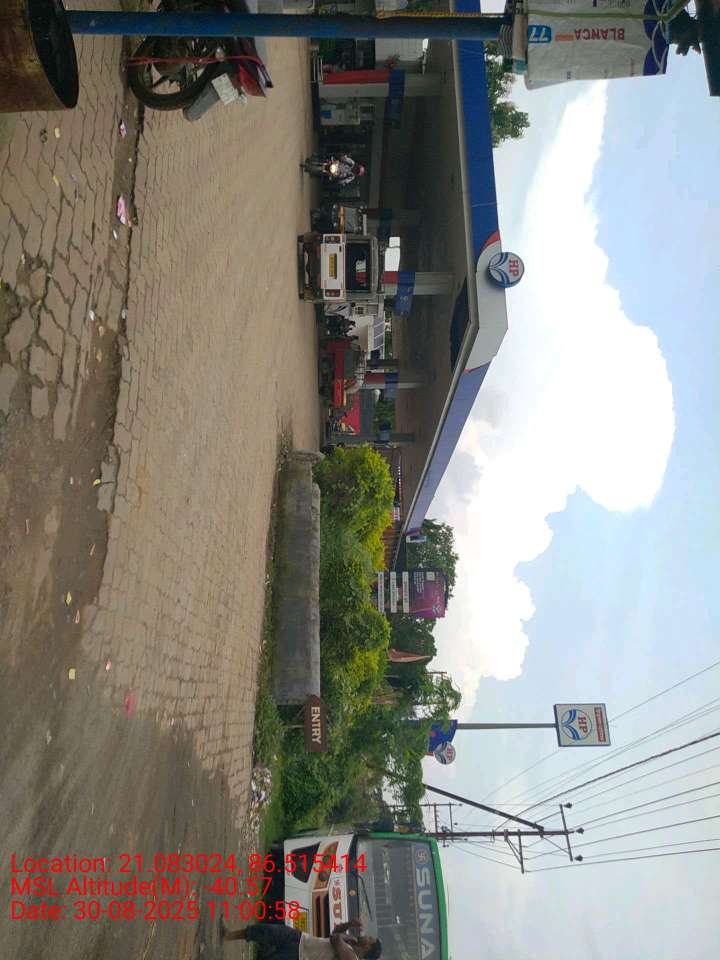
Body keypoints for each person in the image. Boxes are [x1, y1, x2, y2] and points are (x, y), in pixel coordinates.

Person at [221, 917, 382, 960]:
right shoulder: (351, 942)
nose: (366, 936)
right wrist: (349, 924)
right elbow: (335, 931)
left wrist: (344, 936)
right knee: (265, 931)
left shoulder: (351, 958)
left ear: (368, 948)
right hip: (301, 939)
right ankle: (228, 935)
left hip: (299, 956)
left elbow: (335, 939)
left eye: (369, 939)